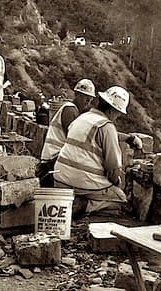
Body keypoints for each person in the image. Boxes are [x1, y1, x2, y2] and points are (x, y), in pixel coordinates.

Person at [54, 85, 132, 216]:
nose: (117, 116)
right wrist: (117, 183)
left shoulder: (82, 117)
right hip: (81, 183)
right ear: (113, 111)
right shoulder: (107, 126)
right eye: (118, 113)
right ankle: (84, 206)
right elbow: (113, 169)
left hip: (59, 179)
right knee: (121, 200)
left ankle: (76, 201)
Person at [37, 78, 97, 185]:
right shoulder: (70, 110)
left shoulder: (74, 110)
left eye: (90, 99)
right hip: (52, 161)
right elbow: (75, 140)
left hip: (54, 159)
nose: (88, 101)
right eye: (86, 97)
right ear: (77, 94)